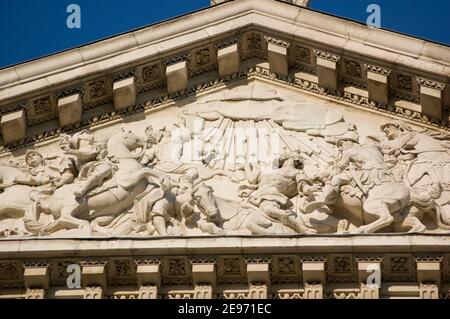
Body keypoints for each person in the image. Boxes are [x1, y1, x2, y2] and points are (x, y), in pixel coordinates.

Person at [239, 151, 316, 234]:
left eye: (286, 153)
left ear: (295, 157)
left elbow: (304, 186)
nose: (282, 155)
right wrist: (246, 166)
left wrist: (312, 188)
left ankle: (302, 228)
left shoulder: (297, 172)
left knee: (268, 209)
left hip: (272, 196)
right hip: (256, 197)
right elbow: (252, 180)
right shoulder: (269, 171)